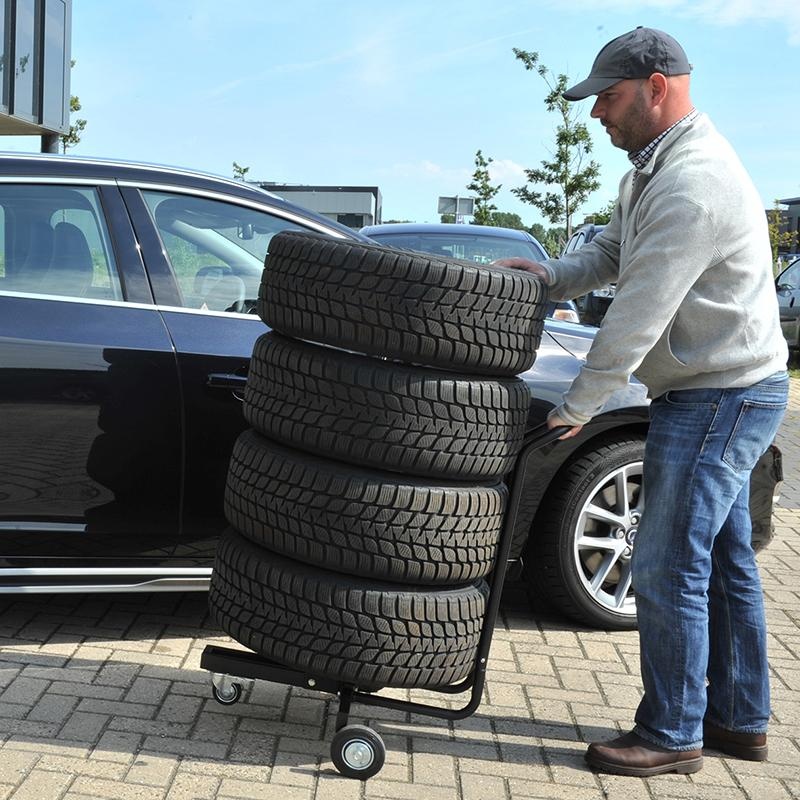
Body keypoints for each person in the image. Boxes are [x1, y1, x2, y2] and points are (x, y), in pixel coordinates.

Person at [496, 27, 789, 777]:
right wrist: (545, 277)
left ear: (656, 86)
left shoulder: (694, 181)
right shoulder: (651, 170)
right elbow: (611, 254)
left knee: (664, 564)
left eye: (609, 97)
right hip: (715, 387)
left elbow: (637, 311)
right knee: (722, 560)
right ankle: (740, 720)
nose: (597, 115)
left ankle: (671, 733)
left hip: (720, 396)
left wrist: (580, 404)